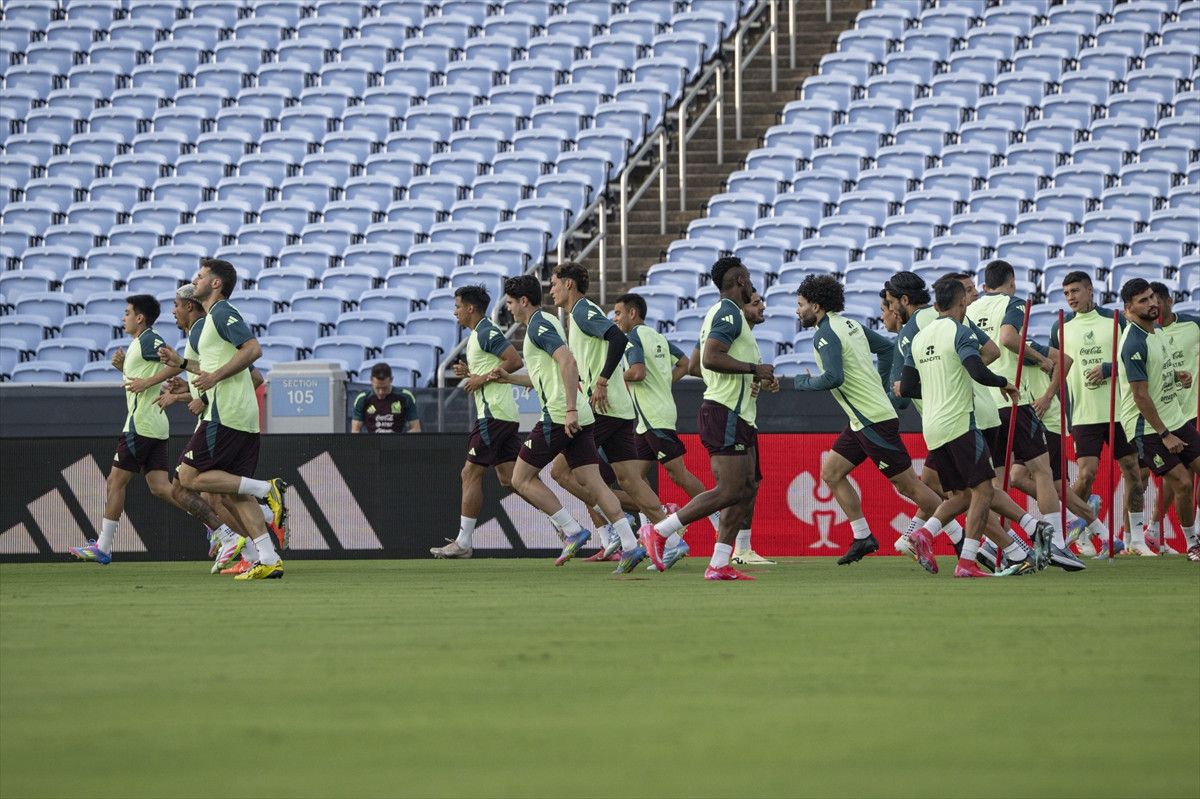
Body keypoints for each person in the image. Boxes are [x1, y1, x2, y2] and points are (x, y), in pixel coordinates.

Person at [490, 275, 647, 573]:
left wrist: (571, 409)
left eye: (509, 302)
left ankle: (572, 529)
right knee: (595, 484)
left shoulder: (539, 325)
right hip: (579, 414)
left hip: (561, 414)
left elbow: (568, 362)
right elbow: (551, 374)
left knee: (520, 478)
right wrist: (510, 378)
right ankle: (630, 545)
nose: (508, 308)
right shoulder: (545, 322)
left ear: (523, 301)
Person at [790, 275, 945, 569]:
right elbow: (886, 349)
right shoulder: (849, 324)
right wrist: (884, 386)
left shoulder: (825, 334)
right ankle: (862, 536)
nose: (798, 311)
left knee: (909, 487)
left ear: (816, 306)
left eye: (801, 304)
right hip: (862, 420)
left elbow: (833, 377)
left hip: (871, 420)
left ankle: (958, 537)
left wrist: (802, 383)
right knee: (831, 472)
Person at [641, 257, 774, 580]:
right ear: (741, 281)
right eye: (749, 279)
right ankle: (660, 531)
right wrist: (753, 369)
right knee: (729, 490)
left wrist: (754, 377)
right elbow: (712, 358)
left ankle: (719, 563)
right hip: (724, 412)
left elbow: (698, 365)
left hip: (738, 413)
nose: (752, 285)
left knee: (745, 489)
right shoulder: (728, 312)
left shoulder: (726, 314)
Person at [157, 258, 288, 580]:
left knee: (186, 479)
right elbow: (212, 368)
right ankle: (267, 558)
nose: (196, 279)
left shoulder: (222, 312)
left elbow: (253, 350)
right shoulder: (211, 321)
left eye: (201, 276)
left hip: (225, 414)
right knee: (232, 493)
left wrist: (213, 379)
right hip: (237, 415)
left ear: (216, 283)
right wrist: (184, 364)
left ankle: (267, 489)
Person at [899, 276, 1034, 578]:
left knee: (960, 496)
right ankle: (967, 562)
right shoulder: (959, 331)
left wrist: (936, 388)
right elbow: (976, 370)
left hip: (932, 428)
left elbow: (906, 387)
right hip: (959, 423)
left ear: (937, 304)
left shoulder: (919, 338)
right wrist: (1003, 382)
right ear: (962, 302)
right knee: (983, 491)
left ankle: (924, 533)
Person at [967, 260, 1084, 571]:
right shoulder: (1012, 303)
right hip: (1012, 398)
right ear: (1012, 282)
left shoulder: (969, 310)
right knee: (1042, 470)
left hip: (983, 403)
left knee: (996, 481)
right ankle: (1056, 543)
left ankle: (995, 544)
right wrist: (1039, 359)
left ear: (985, 284)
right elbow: (1007, 338)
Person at [548, 263, 667, 546]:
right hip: (618, 407)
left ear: (568, 284)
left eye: (553, 284)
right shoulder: (578, 315)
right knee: (630, 481)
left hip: (603, 406)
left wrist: (601, 380)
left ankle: (614, 517)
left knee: (560, 472)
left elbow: (617, 337)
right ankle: (670, 535)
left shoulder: (582, 310)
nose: (551, 291)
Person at [68, 295, 189, 565]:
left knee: (115, 482)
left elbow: (175, 364)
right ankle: (214, 523)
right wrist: (124, 368)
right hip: (154, 425)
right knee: (161, 487)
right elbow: (141, 379)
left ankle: (103, 547)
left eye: (127, 312)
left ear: (140, 318)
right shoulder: (138, 343)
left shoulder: (149, 339)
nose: (123, 317)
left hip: (140, 425)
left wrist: (147, 382)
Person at [613, 292, 711, 570]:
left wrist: (608, 379)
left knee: (678, 474)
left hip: (653, 417)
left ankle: (717, 517)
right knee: (633, 478)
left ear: (632, 313)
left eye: (618, 313)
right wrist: (663, 384)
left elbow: (637, 372)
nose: (615, 319)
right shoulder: (656, 336)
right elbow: (684, 363)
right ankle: (660, 538)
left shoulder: (632, 338)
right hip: (649, 420)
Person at [1046, 271, 1140, 556]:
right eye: (1066, 293)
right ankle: (1081, 530)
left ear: (1090, 290)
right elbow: (1054, 368)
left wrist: (1109, 369)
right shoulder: (1060, 326)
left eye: (1075, 291)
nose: (1070, 297)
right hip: (1082, 413)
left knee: (1133, 472)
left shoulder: (1116, 320)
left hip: (1119, 411)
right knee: (1086, 474)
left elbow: (1134, 357)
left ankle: (1134, 539)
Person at [431, 285, 524, 559]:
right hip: (502, 414)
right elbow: (493, 368)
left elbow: (514, 361)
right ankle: (564, 522)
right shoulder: (477, 335)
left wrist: (480, 379)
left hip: (494, 414)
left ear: (470, 308)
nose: (455, 312)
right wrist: (471, 372)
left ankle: (463, 542)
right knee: (512, 479)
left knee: (469, 473)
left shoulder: (486, 331)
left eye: (458, 306)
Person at [1116, 279, 1200, 559]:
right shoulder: (1134, 342)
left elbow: (1156, 370)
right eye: (1143, 300)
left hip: (1175, 418)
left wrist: (1177, 376)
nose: (1152, 303)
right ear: (1128, 308)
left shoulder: (1157, 330)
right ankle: (1193, 544)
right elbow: (1140, 396)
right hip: (1147, 428)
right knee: (1182, 483)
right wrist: (1165, 434)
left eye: (1152, 297)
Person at [1147, 281, 1200, 556]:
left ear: (1169, 301)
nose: (1153, 306)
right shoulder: (1146, 334)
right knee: (1179, 477)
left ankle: (1156, 528)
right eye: (1148, 301)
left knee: (1182, 477)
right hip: (1160, 418)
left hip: (1188, 413)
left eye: (1157, 301)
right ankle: (1162, 530)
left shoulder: (1193, 326)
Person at [352, 362, 421, 433]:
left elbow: (416, 429)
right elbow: (355, 431)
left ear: (391, 380)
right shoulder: (362, 399)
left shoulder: (406, 397)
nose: (381, 392)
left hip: (398, 439)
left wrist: (398, 438)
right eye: (377, 388)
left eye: (385, 388)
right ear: (371, 380)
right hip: (371, 440)